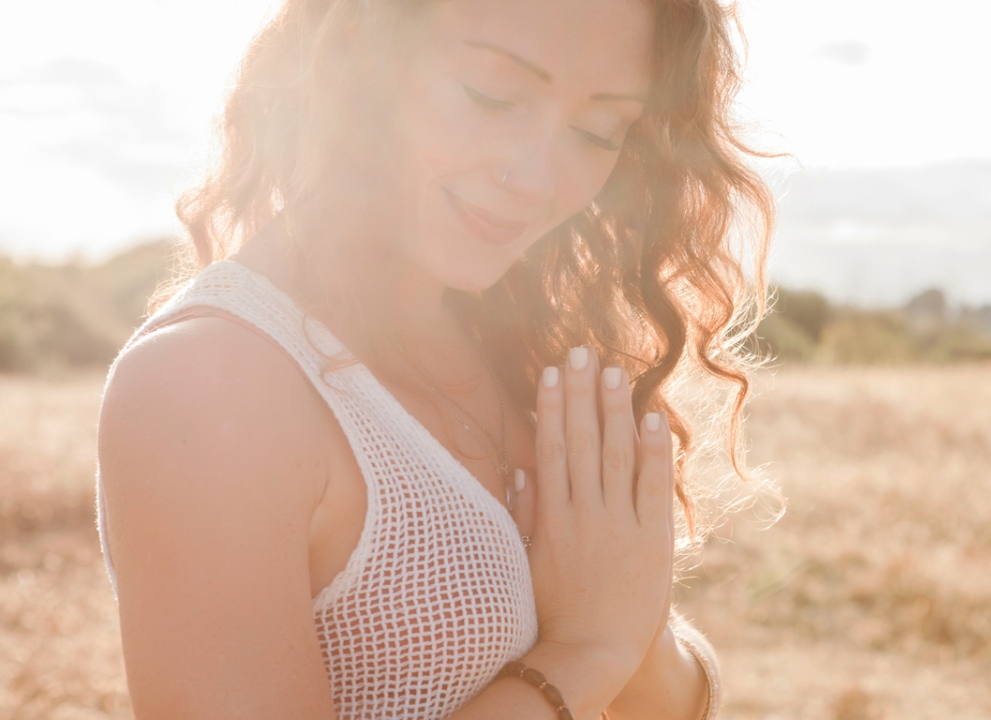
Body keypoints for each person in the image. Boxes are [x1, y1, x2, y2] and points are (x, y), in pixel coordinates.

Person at [96, 0, 775, 717]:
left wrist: (630, 629)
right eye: (492, 95)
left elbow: (665, 694)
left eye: (597, 131)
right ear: (362, 54)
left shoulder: (523, 348)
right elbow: (605, 642)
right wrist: (587, 649)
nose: (540, 178)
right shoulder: (209, 384)